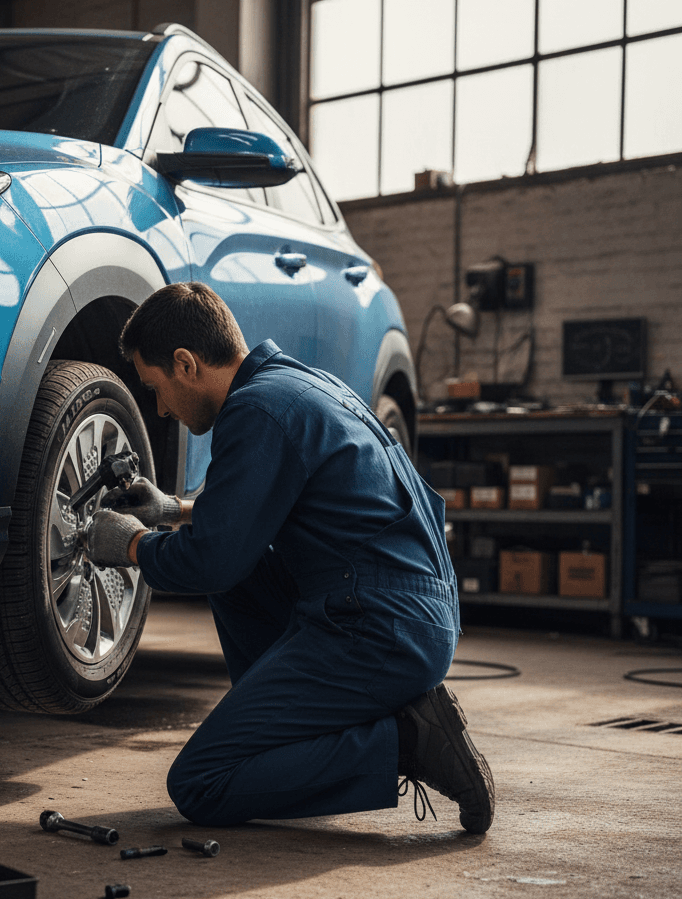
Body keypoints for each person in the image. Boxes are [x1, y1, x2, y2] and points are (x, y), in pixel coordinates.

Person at [86, 282, 494, 834]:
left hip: (378, 628)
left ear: (185, 364)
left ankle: (407, 741)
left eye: (156, 388)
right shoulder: (300, 386)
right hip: (407, 610)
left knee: (200, 782)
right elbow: (257, 511)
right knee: (241, 569)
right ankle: (289, 729)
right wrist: (172, 510)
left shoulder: (253, 411)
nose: (160, 408)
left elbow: (211, 561)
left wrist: (132, 544)